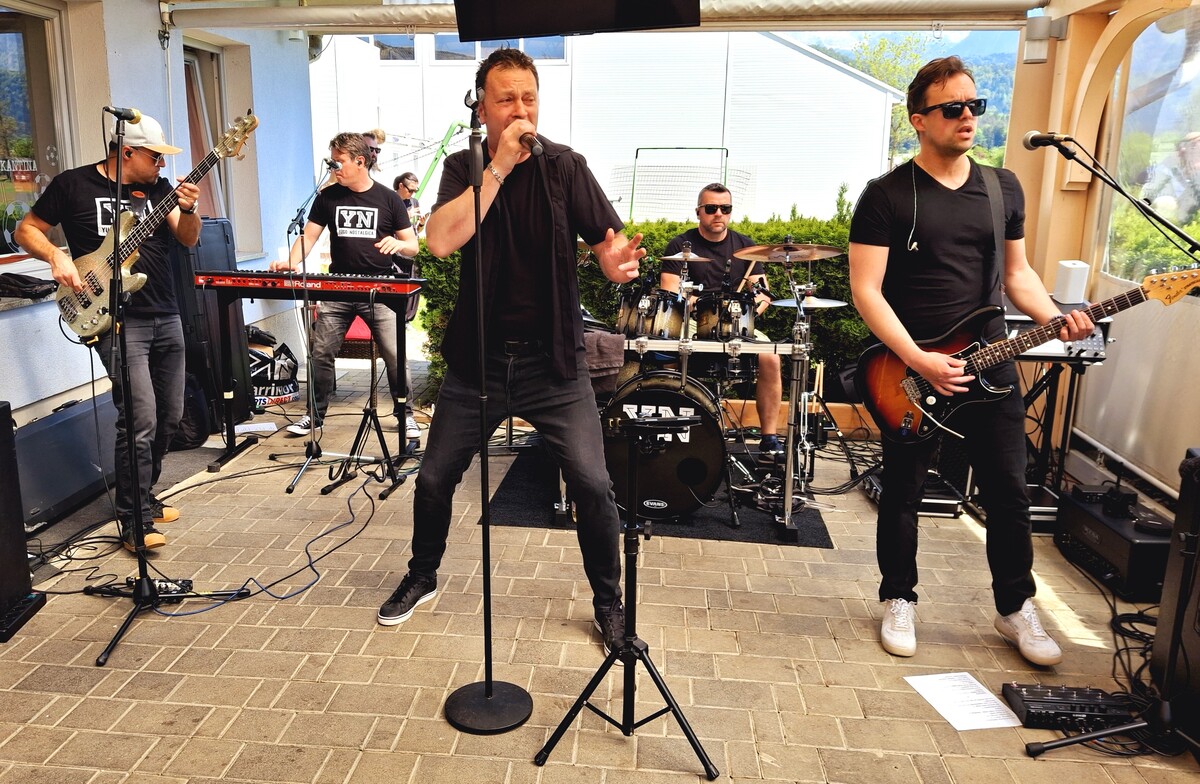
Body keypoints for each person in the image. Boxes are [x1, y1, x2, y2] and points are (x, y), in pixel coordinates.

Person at [376, 48, 645, 656]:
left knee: (592, 484)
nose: (521, 109)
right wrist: (497, 167)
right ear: (482, 108)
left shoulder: (566, 166)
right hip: (479, 364)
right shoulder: (463, 167)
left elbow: (606, 243)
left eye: (529, 97)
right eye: (507, 99)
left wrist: (613, 262)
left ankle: (608, 602)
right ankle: (423, 574)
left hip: (554, 365)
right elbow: (440, 242)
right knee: (434, 478)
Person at [848, 56, 1094, 666]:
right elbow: (866, 290)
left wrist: (1056, 315)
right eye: (952, 107)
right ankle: (898, 597)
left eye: (974, 106)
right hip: (912, 370)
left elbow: (1018, 274)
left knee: (1009, 491)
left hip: (991, 361)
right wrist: (918, 358)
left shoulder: (1001, 187)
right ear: (918, 119)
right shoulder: (886, 195)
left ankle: (1015, 607)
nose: (967, 117)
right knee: (903, 491)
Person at [15, 114, 202, 552]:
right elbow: (26, 230)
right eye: (155, 156)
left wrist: (190, 209)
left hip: (165, 310)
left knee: (170, 416)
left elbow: (188, 238)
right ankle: (133, 519)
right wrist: (56, 257)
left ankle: (145, 495)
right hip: (114, 317)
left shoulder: (160, 190)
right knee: (140, 418)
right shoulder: (73, 185)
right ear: (127, 151)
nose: (161, 164)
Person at [270, 132, 419, 436]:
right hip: (338, 287)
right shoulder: (328, 197)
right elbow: (309, 236)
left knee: (395, 354)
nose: (333, 167)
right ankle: (314, 416)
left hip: (379, 290)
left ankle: (406, 415)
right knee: (320, 352)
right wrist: (291, 261)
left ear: (360, 161)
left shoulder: (388, 198)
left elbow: (413, 246)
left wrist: (398, 243)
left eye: (338, 162)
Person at [661, 184, 782, 456]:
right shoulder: (681, 246)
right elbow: (669, 292)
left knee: (772, 357)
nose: (718, 213)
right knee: (670, 353)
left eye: (725, 208)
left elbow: (763, 294)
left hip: (737, 323)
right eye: (711, 208)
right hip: (693, 321)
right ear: (698, 212)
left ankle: (769, 438)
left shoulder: (745, 246)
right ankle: (672, 430)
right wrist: (697, 303)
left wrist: (747, 312)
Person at [391, 171, 424, 441]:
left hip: (409, 259)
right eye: (410, 190)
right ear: (400, 186)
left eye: (415, 190)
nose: (413, 194)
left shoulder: (414, 203)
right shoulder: (391, 201)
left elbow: (414, 234)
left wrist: (420, 225)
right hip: (394, 262)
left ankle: (406, 413)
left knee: (411, 303)